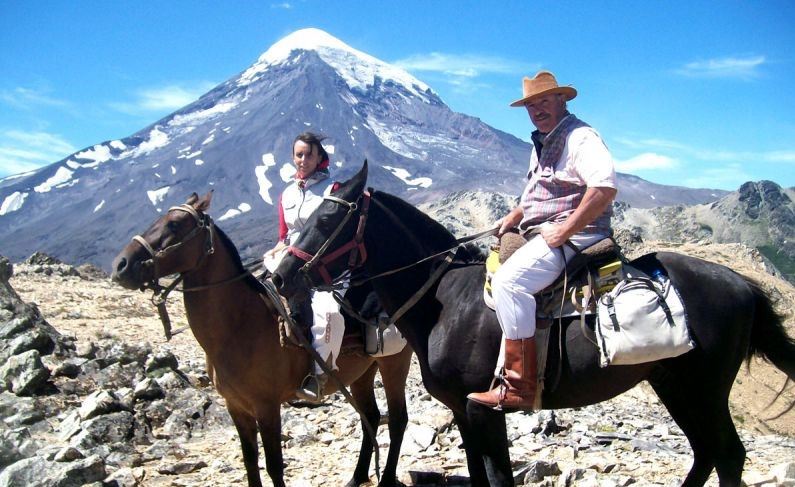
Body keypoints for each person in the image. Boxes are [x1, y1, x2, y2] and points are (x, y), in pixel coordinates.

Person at [468, 71, 617, 410]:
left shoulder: (580, 137)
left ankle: (520, 387)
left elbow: (604, 188)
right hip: (545, 229)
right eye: (531, 104)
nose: (538, 109)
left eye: (545, 101)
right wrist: (515, 216)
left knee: (509, 283)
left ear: (562, 100)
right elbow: (539, 195)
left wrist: (566, 230)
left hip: (576, 232)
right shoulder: (542, 143)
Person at [263, 132, 344, 403]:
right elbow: (283, 234)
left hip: (318, 261)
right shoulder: (287, 193)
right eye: (299, 154)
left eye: (309, 154)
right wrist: (276, 248)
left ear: (320, 157)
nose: (303, 159)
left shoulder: (332, 190)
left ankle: (319, 376)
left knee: (328, 313)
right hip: (287, 258)